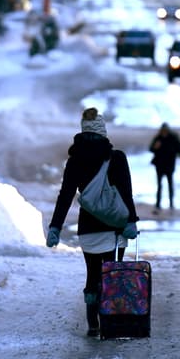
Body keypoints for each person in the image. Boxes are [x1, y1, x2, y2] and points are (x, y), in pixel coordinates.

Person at [46, 107, 140, 338]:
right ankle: (110, 321)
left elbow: (65, 196)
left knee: (93, 273)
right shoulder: (117, 158)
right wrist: (131, 221)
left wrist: (55, 226)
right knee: (112, 275)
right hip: (114, 228)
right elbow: (126, 192)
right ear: (103, 132)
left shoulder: (74, 161)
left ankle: (93, 323)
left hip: (88, 229)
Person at [148, 122, 180, 212]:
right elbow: (151, 149)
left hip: (169, 165)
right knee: (159, 185)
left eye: (165, 130)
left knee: (170, 184)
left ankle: (171, 203)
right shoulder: (158, 138)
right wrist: (155, 147)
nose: (164, 132)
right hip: (159, 165)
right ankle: (158, 204)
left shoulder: (173, 138)